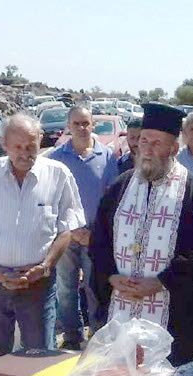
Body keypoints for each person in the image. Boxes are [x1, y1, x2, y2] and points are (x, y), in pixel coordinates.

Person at [92, 103, 193, 365]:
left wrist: (161, 282)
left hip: (172, 314)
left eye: (157, 143)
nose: (147, 149)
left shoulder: (192, 192)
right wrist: (111, 275)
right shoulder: (119, 187)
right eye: (144, 141)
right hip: (120, 308)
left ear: (173, 148)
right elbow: (99, 242)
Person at [0, 113, 85, 359]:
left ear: (40, 141)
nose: (25, 153)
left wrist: (45, 266)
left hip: (38, 284)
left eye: (31, 146)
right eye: (17, 147)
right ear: (4, 144)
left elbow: (66, 229)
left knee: (39, 356)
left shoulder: (58, 175)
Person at [48, 106, 120, 349]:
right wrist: (70, 229)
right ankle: (72, 337)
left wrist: (94, 233)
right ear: (68, 126)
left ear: (93, 125)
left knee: (95, 287)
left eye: (86, 123)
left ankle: (97, 337)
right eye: (76, 123)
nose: (81, 128)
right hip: (66, 236)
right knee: (66, 289)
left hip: (94, 236)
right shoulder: (56, 158)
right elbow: (50, 199)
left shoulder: (107, 156)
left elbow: (112, 198)